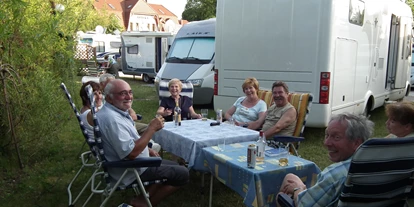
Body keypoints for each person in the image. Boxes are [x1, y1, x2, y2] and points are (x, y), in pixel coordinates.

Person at [97, 79, 189, 206]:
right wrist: (151, 129)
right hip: (130, 170)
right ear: (109, 98)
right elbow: (131, 153)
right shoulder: (112, 120)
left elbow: (130, 141)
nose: (129, 97)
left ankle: (143, 197)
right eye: (123, 93)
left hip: (136, 163)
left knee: (175, 166)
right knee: (183, 173)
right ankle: (145, 203)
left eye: (130, 92)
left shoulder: (116, 112)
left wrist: (148, 149)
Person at [277, 113, 374, 207]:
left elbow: (304, 204)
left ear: (356, 143)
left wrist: (297, 189)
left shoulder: (336, 175)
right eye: (327, 135)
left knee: (282, 192)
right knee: (291, 177)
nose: (326, 143)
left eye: (336, 137)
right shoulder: (377, 163)